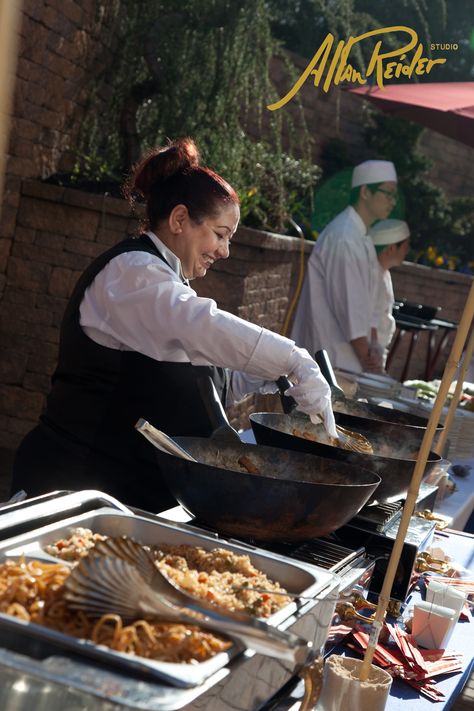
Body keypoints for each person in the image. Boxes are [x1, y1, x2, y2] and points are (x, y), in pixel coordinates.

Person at [11, 137, 336, 511]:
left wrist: (261, 377)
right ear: (180, 219)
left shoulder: (165, 282)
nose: (225, 251)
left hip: (125, 499)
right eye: (220, 234)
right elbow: (198, 323)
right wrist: (291, 358)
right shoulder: (131, 272)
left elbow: (193, 383)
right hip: (70, 489)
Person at [291, 160, 398, 373]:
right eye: (388, 193)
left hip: (344, 360)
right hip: (329, 360)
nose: (392, 202)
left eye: (394, 196)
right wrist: (370, 362)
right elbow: (350, 307)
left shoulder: (362, 236)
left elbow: (367, 304)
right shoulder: (344, 236)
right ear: (365, 192)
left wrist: (372, 346)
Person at [369, 219, 410, 369]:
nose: (407, 251)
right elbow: (369, 315)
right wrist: (373, 348)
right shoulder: (371, 273)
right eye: (405, 246)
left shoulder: (384, 273)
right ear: (392, 248)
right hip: (368, 355)